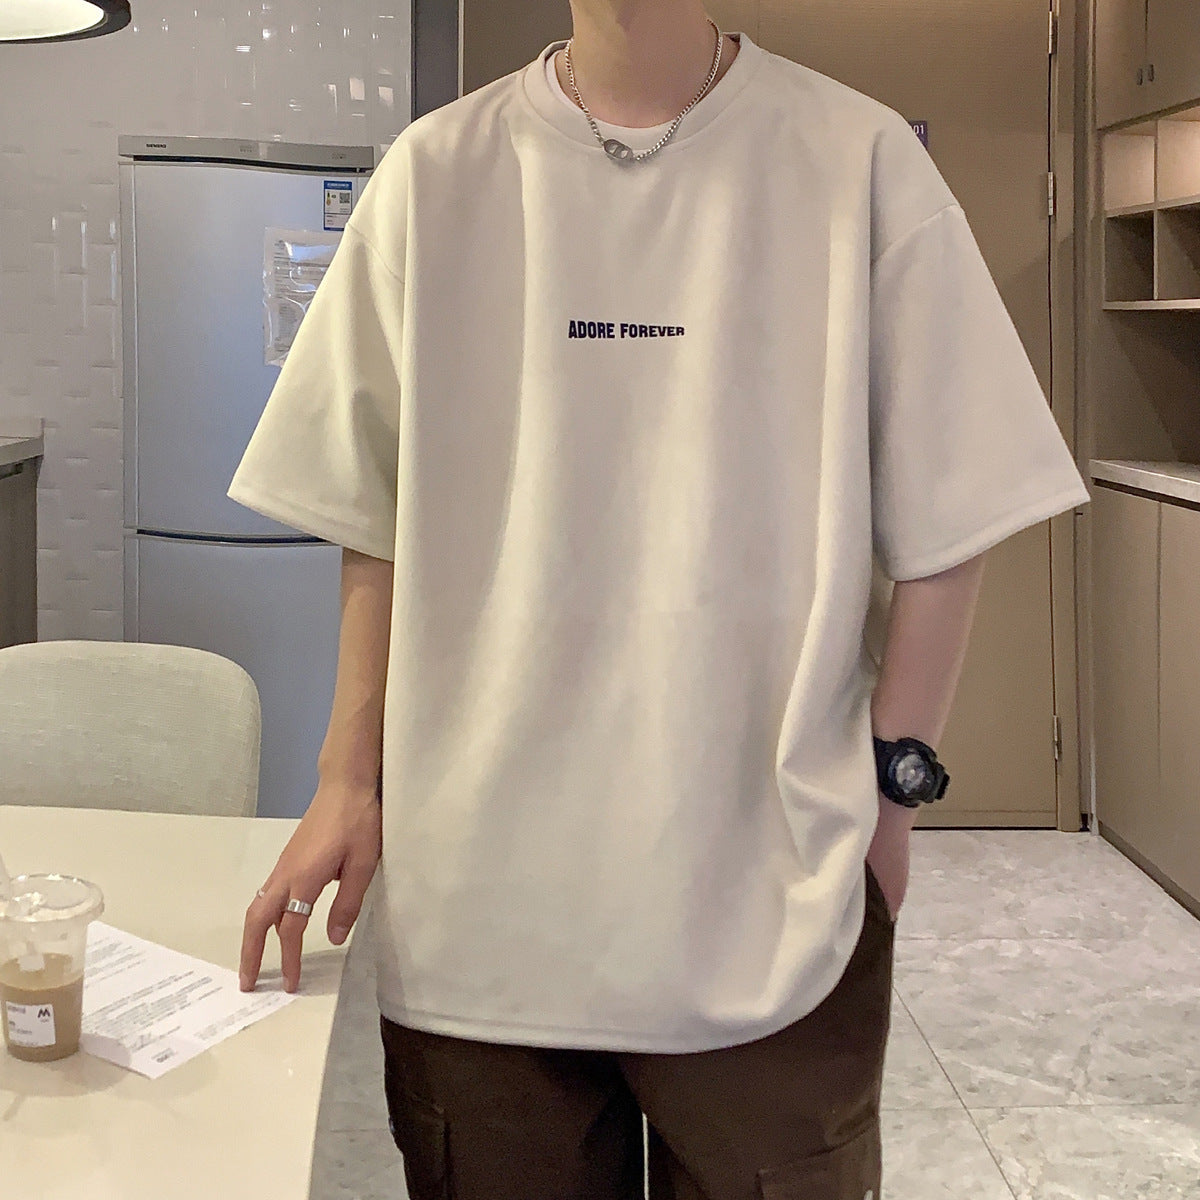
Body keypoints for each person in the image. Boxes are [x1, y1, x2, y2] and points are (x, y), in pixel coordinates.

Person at [229, 2, 1092, 1197]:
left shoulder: (857, 159)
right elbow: (372, 513)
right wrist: (346, 780)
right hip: (484, 900)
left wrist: (894, 790)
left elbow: (960, 509)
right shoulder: (437, 173)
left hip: (771, 901)